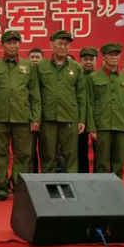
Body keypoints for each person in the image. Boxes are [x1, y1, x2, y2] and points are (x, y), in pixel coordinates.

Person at [0, 30, 41, 201]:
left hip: (23, 117)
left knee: (23, 155)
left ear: (19, 45)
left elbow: (35, 94)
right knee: (0, 154)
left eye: (15, 42)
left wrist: (36, 118)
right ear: (3, 45)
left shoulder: (28, 66)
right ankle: (1, 189)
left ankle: (19, 187)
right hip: (0, 117)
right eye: (9, 43)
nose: (12, 46)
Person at [87, 43, 124, 178]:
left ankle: (117, 189)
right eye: (111, 55)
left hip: (122, 125)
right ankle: (100, 189)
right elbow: (89, 104)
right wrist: (91, 127)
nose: (114, 57)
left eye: (116, 54)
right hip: (102, 125)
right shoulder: (93, 77)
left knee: (118, 163)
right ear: (104, 57)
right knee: (101, 162)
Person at [37, 31, 86, 174]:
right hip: (47, 117)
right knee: (48, 155)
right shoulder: (41, 67)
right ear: (51, 45)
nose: (63, 47)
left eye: (66, 44)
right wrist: (37, 118)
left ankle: (71, 184)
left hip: (69, 117)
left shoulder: (76, 67)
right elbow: (36, 94)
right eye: (60, 44)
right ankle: (48, 184)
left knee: (71, 155)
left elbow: (81, 95)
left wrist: (81, 119)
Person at [77, 47, 98, 173]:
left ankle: (98, 179)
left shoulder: (100, 76)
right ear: (81, 60)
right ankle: (82, 176)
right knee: (80, 151)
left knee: (100, 153)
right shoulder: (76, 76)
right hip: (79, 119)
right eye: (85, 59)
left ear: (96, 60)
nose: (88, 62)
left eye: (91, 59)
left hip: (97, 119)